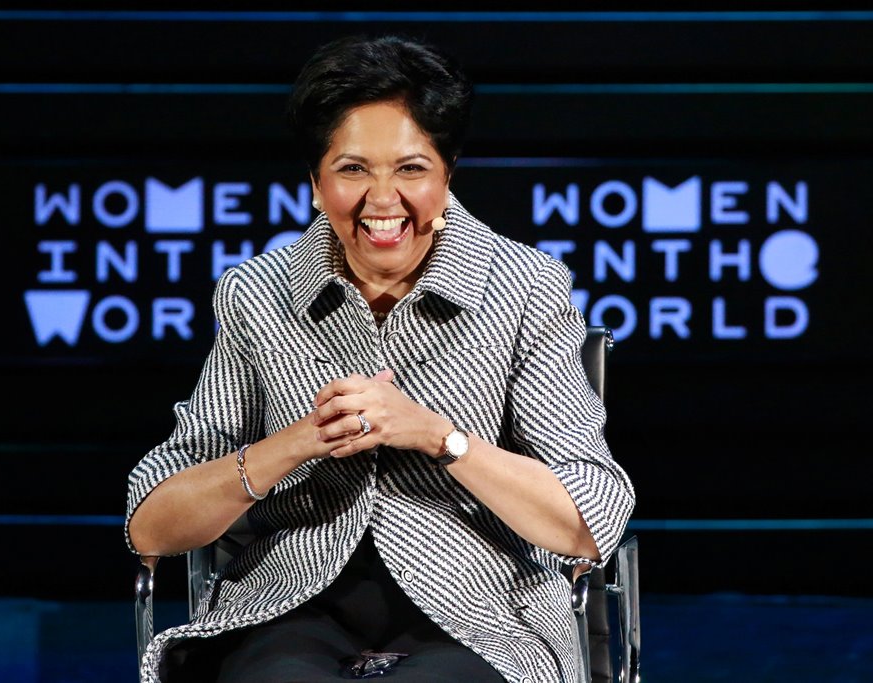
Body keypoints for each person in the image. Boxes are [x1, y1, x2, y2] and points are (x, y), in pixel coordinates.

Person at [126, 33, 634, 683]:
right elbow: (152, 525)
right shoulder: (257, 292)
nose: (382, 199)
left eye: (411, 168)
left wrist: (437, 436)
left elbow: (590, 521)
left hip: (481, 605)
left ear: (448, 175)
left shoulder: (525, 286)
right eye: (352, 169)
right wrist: (300, 441)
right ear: (315, 183)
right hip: (288, 604)